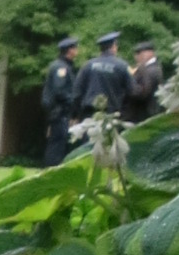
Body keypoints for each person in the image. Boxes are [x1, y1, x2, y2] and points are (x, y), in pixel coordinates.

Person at [77, 27, 134, 124]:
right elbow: (132, 90)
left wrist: (76, 114)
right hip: (111, 114)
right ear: (114, 47)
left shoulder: (88, 65)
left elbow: (77, 91)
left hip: (89, 113)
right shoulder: (122, 66)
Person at [41, 33, 82, 166]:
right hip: (60, 113)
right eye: (75, 48)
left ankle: (52, 168)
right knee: (57, 145)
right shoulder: (61, 68)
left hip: (59, 113)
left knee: (58, 144)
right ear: (69, 50)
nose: (77, 50)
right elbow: (60, 91)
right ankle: (51, 169)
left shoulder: (64, 66)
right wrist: (74, 102)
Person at [129, 37, 163, 121]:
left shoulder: (151, 70)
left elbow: (143, 92)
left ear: (149, 53)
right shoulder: (150, 68)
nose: (136, 57)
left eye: (139, 53)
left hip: (147, 113)